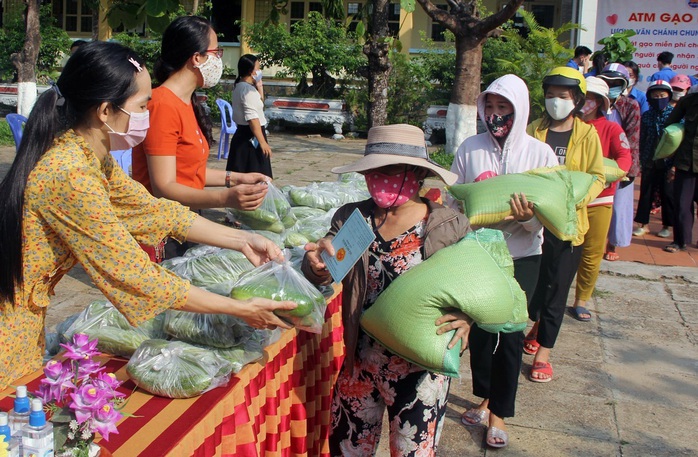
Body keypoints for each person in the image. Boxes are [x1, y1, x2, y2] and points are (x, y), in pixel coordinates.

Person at [0, 41, 296, 390]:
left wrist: (244, 239)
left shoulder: (87, 154)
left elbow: (154, 211)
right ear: (106, 111)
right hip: (10, 330)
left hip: (23, 317)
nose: (148, 116)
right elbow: (134, 273)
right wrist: (238, 308)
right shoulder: (70, 174)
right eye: (142, 106)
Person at [301, 124, 472, 455]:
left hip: (421, 371)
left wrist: (466, 318)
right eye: (372, 171)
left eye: (389, 170)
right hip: (361, 362)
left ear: (417, 173)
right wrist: (316, 263)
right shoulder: (353, 218)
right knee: (346, 448)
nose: (378, 177)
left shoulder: (446, 226)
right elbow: (327, 274)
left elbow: (475, 286)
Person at [449, 75, 557, 448]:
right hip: (478, 254)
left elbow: (549, 214)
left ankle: (499, 415)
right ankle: (486, 397)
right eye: (490, 108)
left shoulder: (540, 154)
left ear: (520, 110)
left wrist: (527, 218)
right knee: (480, 336)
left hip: (523, 257)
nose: (495, 116)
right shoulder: (470, 148)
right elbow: (454, 198)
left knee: (509, 336)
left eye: (503, 108)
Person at [132, 16, 269, 258]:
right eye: (216, 52)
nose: (219, 59)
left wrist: (237, 178)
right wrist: (225, 198)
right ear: (197, 58)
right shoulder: (163, 104)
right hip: (162, 232)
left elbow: (189, 170)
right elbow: (164, 186)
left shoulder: (186, 102)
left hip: (185, 221)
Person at [525, 67, 605, 382]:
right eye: (550, 95)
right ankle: (535, 324)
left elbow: (597, 176)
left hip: (569, 226)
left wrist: (576, 198)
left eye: (563, 96)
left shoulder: (587, 135)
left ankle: (544, 352)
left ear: (576, 99)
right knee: (533, 286)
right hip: (533, 224)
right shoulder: (533, 130)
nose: (555, 101)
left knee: (557, 288)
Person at [573, 77, 632, 321]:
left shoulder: (611, 129)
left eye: (590, 98)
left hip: (600, 199)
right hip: (571, 198)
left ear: (599, 102)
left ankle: (581, 300)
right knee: (564, 252)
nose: (585, 103)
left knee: (592, 252)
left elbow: (624, 159)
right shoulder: (570, 126)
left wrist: (608, 175)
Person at [598, 63, 641, 262]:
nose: (611, 85)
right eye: (608, 82)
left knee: (618, 207)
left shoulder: (630, 105)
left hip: (620, 161)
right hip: (596, 159)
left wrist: (626, 169)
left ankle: (612, 244)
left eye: (616, 83)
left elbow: (632, 137)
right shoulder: (595, 103)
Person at [633, 80, 675, 240]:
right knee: (646, 193)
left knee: (668, 194)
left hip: (667, 161)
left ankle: (667, 226)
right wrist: (640, 160)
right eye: (655, 95)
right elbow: (641, 138)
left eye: (662, 95)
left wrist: (674, 164)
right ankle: (643, 225)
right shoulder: (647, 116)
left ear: (668, 96)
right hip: (649, 160)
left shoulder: (674, 115)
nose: (659, 98)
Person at [663, 86, 698, 252]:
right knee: (682, 203)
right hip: (686, 161)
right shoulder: (688, 101)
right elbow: (670, 124)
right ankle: (680, 241)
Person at [225, 54, 273, 178]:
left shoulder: (241, 87)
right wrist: (262, 142)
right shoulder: (246, 90)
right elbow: (252, 118)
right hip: (251, 136)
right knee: (255, 176)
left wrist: (259, 85)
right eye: (258, 68)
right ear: (251, 71)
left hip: (244, 134)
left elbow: (259, 103)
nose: (259, 71)